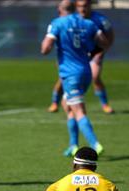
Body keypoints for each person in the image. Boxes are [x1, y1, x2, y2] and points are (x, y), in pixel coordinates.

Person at [41, 0, 108, 158]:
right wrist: (92, 51)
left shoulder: (57, 23)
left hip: (71, 74)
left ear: (60, 9)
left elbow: (45, 49)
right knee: (67, 104)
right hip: (86, 71)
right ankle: (73, 145)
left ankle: (95, 144)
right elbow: (104, 43)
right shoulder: (88, 23)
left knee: (78, 110)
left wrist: (53, 41)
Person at [48, 0, 115, 114]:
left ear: (90, 6)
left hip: (94, 54)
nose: (82, 9)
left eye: (85, 6)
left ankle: (105, 104)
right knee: (63, 79)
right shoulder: (72, 19)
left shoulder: (100, 19)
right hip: (75, 56)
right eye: (79, 6)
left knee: (95, 77)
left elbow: (110, 35)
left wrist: (100, 52)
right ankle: (55, 103)